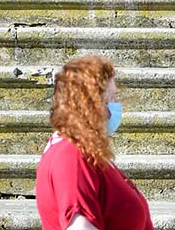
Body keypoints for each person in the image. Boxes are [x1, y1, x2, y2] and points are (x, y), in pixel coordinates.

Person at [35, 55, 154, 230]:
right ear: (91, 105)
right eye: (112, 98)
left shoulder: (83, 150)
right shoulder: (72, 157)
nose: (117, 105)